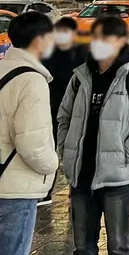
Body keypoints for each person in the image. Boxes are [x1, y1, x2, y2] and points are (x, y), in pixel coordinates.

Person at [57, 15, 129, 255]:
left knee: (118, 246)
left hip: (118, 180)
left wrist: (125, 154)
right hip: (81, 177)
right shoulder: (80, 78)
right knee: (83, 248)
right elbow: (64, 117)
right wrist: (65, 149)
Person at [0, 11, 58, 255]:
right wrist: (52, 165)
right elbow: (31, 143)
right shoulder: (32, 80)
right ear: (39, 39)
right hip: (16, 188)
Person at [40, 16, 86, 205]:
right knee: (49, 149)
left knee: (75, 149)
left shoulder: (84, 54)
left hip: (77, 109)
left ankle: (76, 187)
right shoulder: (48, 54)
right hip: (51, 108)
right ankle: (46, 190)